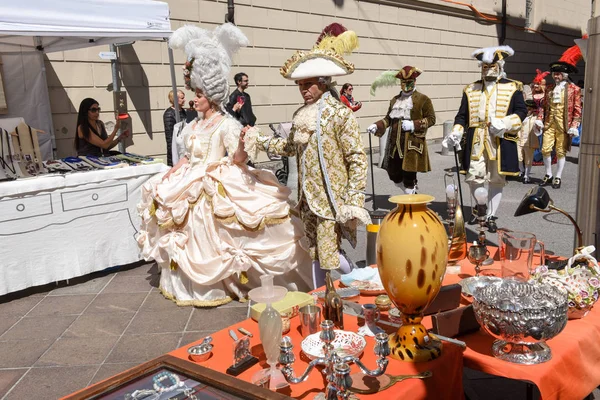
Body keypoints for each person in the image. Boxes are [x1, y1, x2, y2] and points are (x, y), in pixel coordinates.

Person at [137, 23, 312, 307]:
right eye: (194, 94)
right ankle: (193, 284)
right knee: (181, 223)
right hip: (189, 180)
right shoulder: (193, 125)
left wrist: (242, 143)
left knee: (218, 227)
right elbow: (187, 156)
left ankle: (225, 281)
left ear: (213, 97)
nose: (194, 100)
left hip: (214, 179)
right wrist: (169, 174)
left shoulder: (226, 125)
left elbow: (238, 159)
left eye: (199, 95)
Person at [244, 23, 370, 287]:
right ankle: (326, 296)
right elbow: (289, 148)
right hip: (306, 201)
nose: (303, 89)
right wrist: (259, 140)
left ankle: (340, 291)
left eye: (308, 84)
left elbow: (357, 159)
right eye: (300, 85)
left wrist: (353, 198)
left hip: (330, 201)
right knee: (314, 253)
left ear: (322, 83)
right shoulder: (300, 114)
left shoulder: (339, 113)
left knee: (326, 254)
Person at [444, 46, 527, 233]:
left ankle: (490, 215)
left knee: (496, 179)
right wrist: (456, 132)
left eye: (492, 65)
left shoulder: (513, 87)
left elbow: (522, 112)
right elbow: (462, 116)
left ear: (500, 66)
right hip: (476, 139)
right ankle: (480, 208)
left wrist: (505, 123)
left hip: (500, 139)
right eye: (484, 66)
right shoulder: (470, 88)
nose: (488, 69)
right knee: (474, 176)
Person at [368, 66, 436, 194]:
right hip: (394, 146)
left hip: (411, 145)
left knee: (409, 177)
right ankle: (410, 192)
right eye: (403, 83)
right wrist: (377, 125)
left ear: (414, 82)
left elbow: (431, 119)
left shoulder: (423, 99)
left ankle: (410, 200)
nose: (406, 85)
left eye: (409, 82)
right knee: (393, 174)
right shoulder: (395, 100)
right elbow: (388, 118)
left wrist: (413, 125)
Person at [538, 43, 583, 189]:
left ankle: (558, 176)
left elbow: (577, 110)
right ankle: (548, 174)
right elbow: (543, 107)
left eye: (558, 74)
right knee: (545, 149)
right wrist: (539, 120)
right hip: (549, 124)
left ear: (564, 75)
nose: (556, 76)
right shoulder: (549, 89)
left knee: (560, 150)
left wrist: (574, 126)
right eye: (554, 74)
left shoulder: (574, 89)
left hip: (564, 125)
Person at [517, 87, 542, 184]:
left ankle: (526, 175)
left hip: (529, 142)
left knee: (528, 159)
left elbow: (538, 130)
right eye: (526, 108)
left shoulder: (535, 118)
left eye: (530, 109)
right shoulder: (520, 117)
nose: (527, 110)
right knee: (518, 157)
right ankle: (521, 171)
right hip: (519, 140)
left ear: (533, 110)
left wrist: (538, 126)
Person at [163, 90, 187, 166]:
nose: (184, 100)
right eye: (182, 98)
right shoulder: (169, 113)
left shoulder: (183, 111)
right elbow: (170, 137)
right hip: (176, 150)